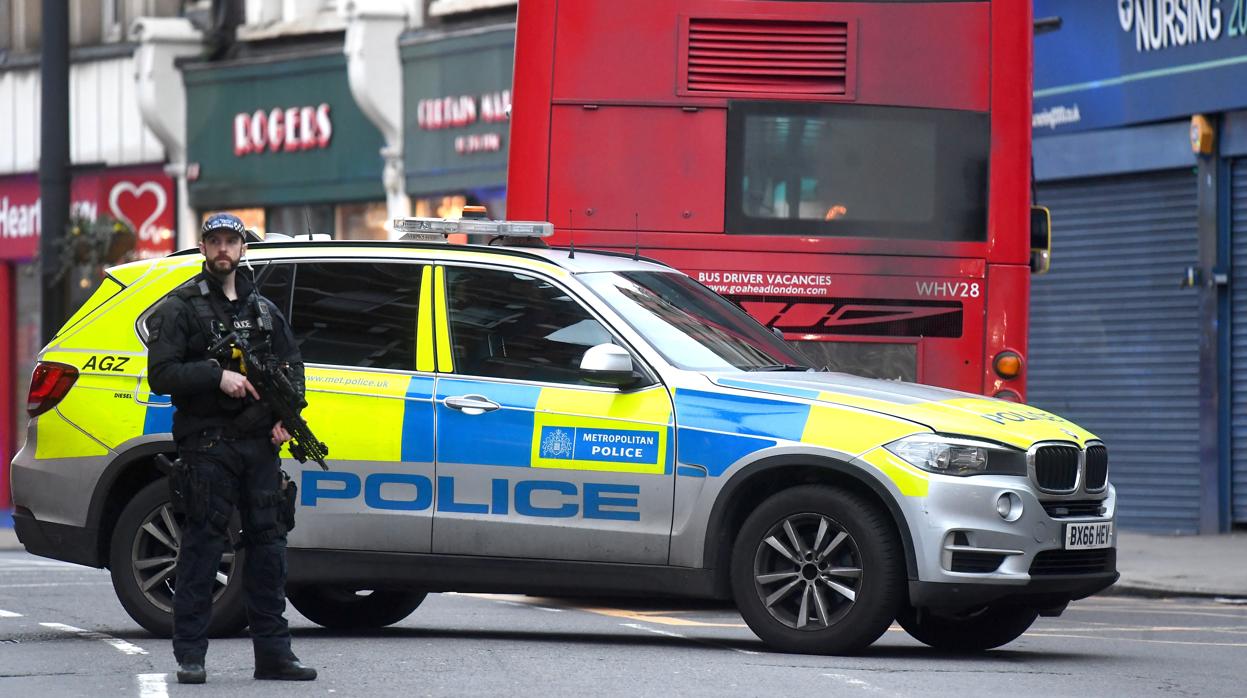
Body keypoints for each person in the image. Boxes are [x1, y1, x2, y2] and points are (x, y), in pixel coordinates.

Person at [147, 213, 316, 684]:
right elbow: (161, 375)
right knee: (202, 546)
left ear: (243, 249)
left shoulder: (264, 309)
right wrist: (216, 375)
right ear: (203, 248)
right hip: (208, 443)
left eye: (231, 242)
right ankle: (191, 655)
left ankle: (274, 655)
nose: (224, 249)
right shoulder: (179, 308)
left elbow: (292, 364)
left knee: (269, 548)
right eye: (215, 241)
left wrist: (287, 416)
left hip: (260, 445)